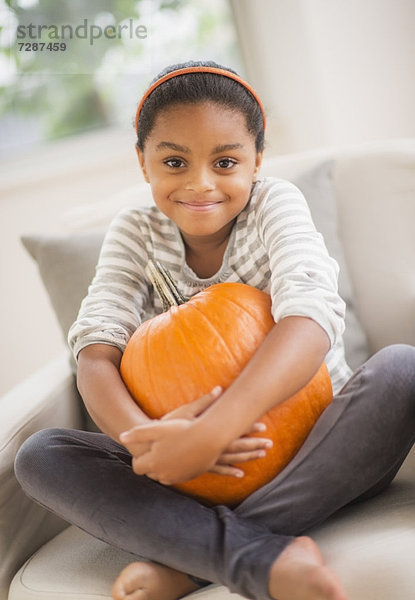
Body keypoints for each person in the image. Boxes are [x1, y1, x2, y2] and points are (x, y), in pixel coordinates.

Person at [14, 60, 415, 600]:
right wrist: (145, 447)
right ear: (143, 162)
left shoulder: (275, 203)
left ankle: (200, 561)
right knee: (41, 454)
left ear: (257, 161)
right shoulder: (134, 232)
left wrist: (213, 431)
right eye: (174, 161)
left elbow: (310, 317)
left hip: (321, 448)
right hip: (186, 474)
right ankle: (256, 550)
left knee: (403, 370)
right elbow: (95, 354)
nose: (199, 183)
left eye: (225, 161)